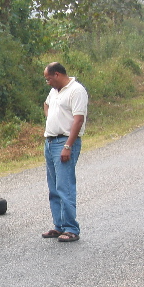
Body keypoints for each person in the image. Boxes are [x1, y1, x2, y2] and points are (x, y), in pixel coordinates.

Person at [42, 62, 88, 242]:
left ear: (58, 74)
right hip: (50, 141)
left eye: (48, 78)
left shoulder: (76, 91)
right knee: (53, 187)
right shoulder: (55, 91)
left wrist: (68, 145)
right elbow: (46, 105)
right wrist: (52, 118)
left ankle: (71, 228)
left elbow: (78, 120)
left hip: (65, 141)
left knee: (65, 186)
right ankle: (59, 225)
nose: (48, 82)